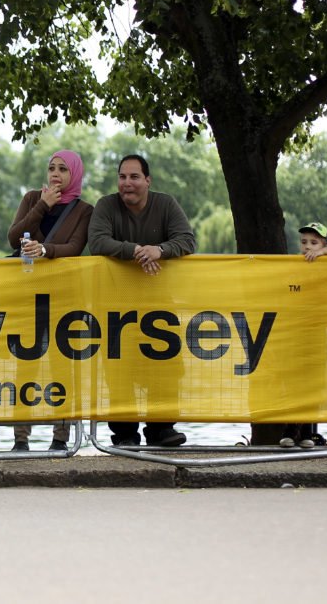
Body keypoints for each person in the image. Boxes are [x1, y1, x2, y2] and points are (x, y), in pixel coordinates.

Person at [88, 154, 196, 447]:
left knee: (166, 367)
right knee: (118, 370)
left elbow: (187, 240)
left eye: (134, 177)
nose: (127, 183)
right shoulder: (106, 206)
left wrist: (160, 250)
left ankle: (161, 429)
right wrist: (136, 250)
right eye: (122, 177)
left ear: (148, 180)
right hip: (116, 307)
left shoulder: (166, 204)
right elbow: (96, 241)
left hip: (159, 304)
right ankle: (124, 435)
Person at [7, 149, 94, 452]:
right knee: (25, 366)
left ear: (75, 174)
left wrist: (45, 251)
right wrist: (42, 206)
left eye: (63, 170)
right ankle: (21, 438)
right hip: (28, 295)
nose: (56, 174)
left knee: (61, 366)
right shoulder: (33, 198)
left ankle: (60, 437)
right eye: (51, 168)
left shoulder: (85, 210)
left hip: (63, 297)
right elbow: (14, 237)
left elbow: (75, 246)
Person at [275, 222, 327, 448]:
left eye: (314, 243)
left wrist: (326, 252)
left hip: (318, 335)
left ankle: (309, 433)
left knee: (314, 384)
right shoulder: (293, 266)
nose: (307, 247)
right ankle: (290, 431)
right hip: (294, 334)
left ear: (323, 244)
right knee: (292, 382)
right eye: (304, 242)